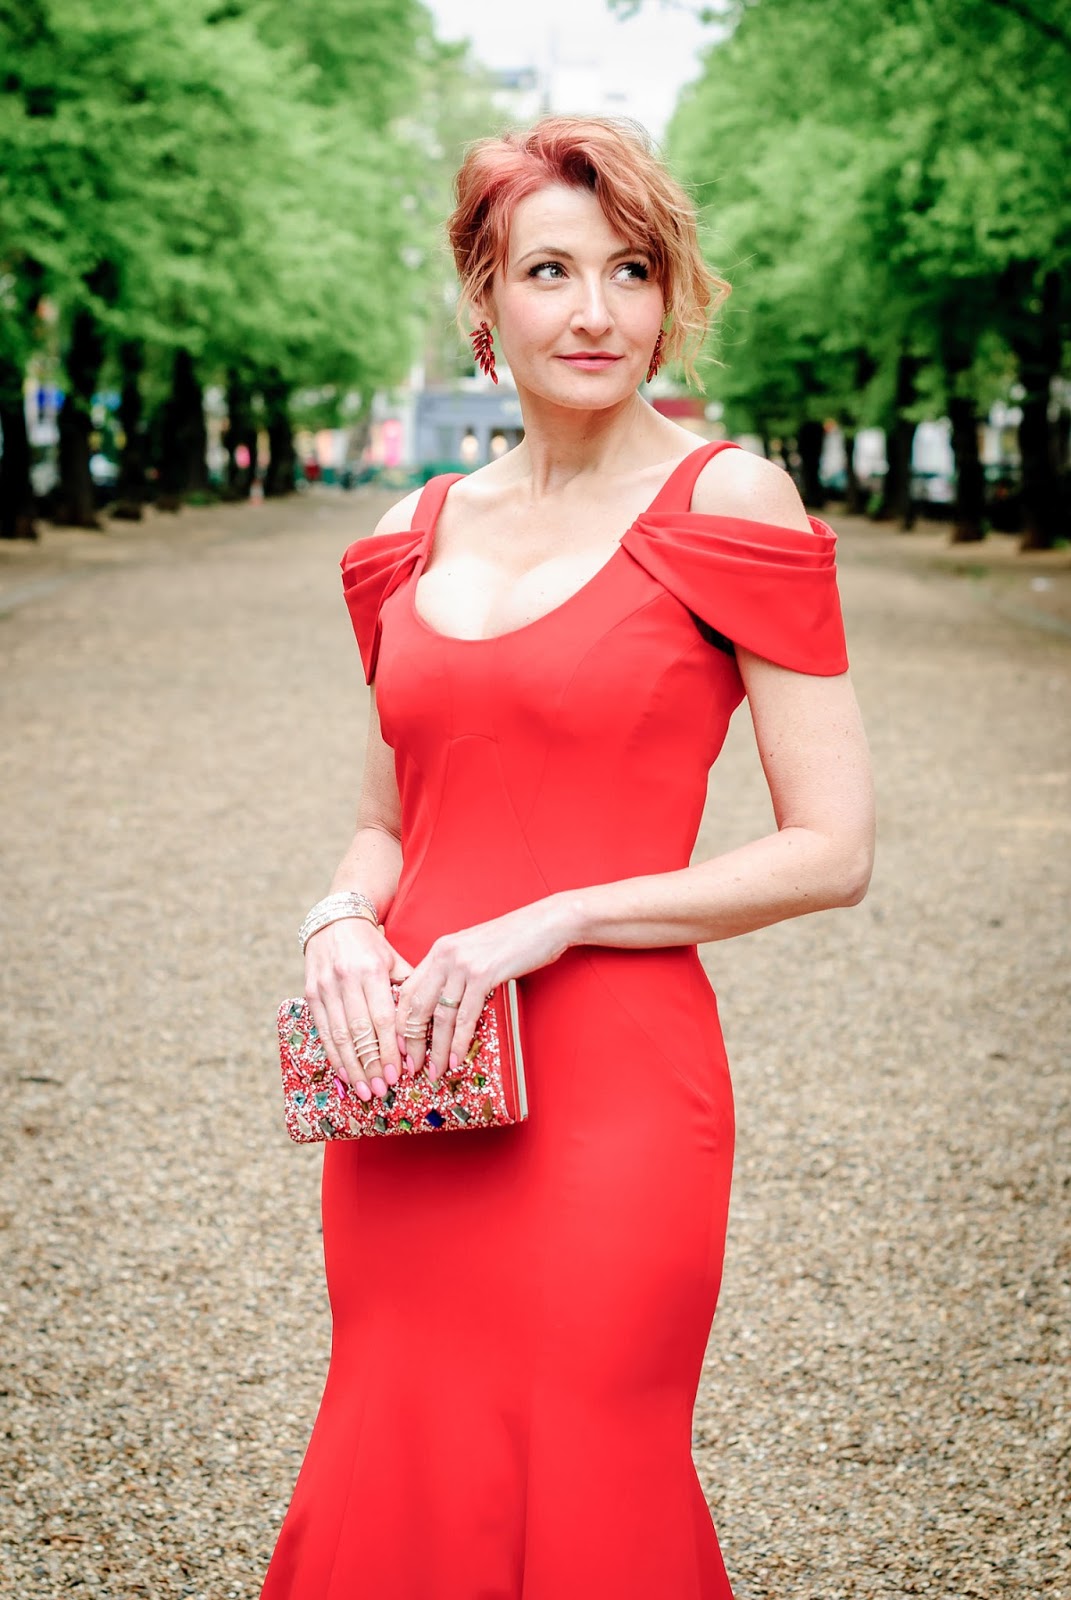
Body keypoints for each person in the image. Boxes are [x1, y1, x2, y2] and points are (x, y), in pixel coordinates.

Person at [260, 116, 875, 1599]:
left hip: (615, 1093)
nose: (595, 311)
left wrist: (559, 918)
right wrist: (339, 919)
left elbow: (833, 847)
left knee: (592, 1458)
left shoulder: (728, 503)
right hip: (415, 1083)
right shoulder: (409, 533)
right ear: (483, 300)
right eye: (549, 269)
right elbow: (393, 820)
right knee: (397, 1439)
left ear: (669, 296)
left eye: (631, 270)